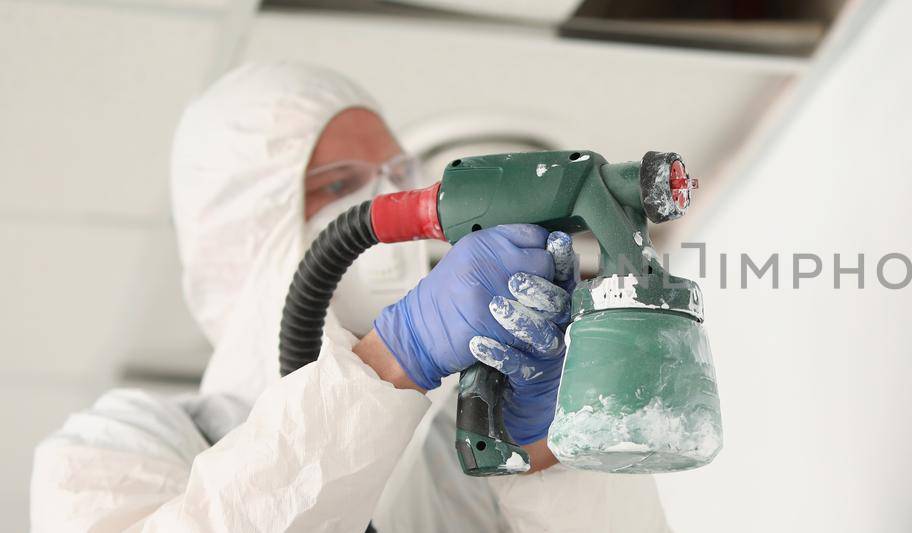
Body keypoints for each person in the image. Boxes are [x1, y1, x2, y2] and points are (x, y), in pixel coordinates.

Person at [30, 62, 669, 532]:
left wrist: (551, 454)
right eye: (339, 185)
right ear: (245, 229)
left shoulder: (455, 446)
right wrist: (394, 357)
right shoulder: (116, 448)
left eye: (398, 176)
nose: (376, 203)